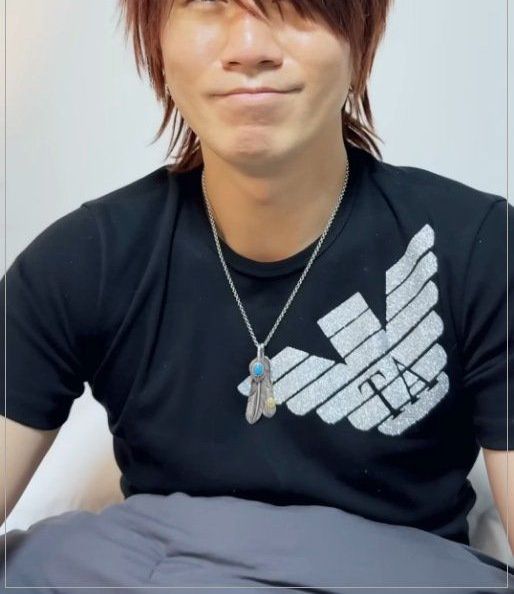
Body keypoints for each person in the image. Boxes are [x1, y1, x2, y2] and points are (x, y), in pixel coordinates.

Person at [1, 0, 513, 591]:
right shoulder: (84, 260)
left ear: (361, 38)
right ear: (158, 42)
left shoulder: (479, 249)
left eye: (294, 7)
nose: (249, 48)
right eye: (207, 4)